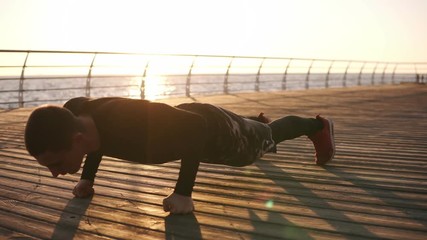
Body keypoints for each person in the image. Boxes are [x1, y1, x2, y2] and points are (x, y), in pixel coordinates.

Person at [24, 97, 335, 214]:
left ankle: (317, 126)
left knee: (266, 139)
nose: (54, 173)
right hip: (192, 118)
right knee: (258, 130)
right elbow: (96, 141)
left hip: (216, 133)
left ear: (76, 139)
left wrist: (183, 193)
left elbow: (196, 127)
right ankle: (256, 122)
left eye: (55, 164)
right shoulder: (80, 118)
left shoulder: (122, 119)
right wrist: (87, 178)